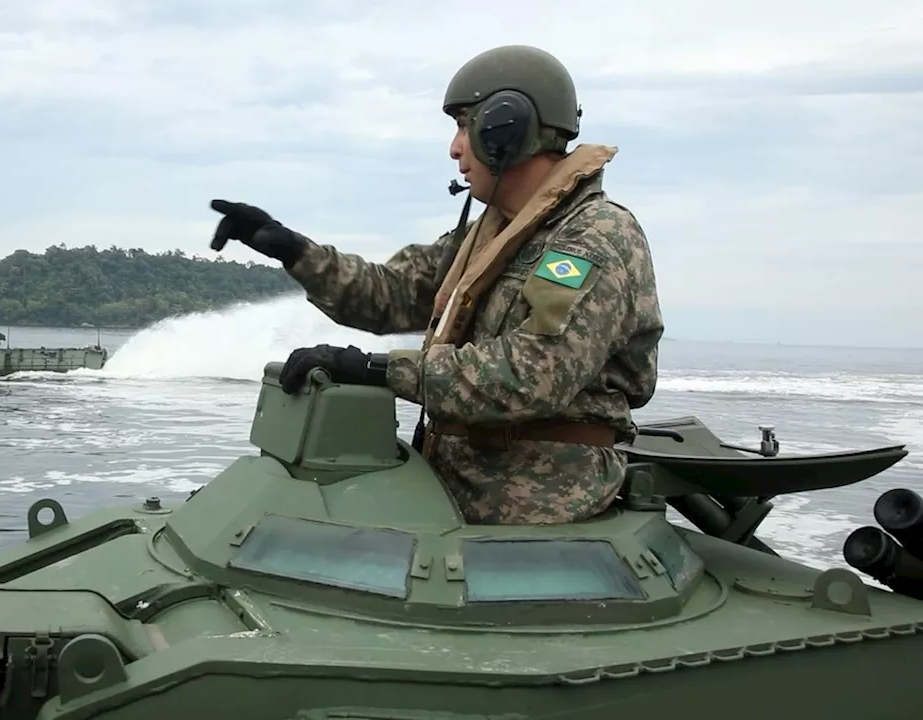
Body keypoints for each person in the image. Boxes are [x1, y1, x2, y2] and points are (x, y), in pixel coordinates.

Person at [207, 45, 664, 525]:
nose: (455, 148)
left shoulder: (593, 236)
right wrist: (293, 250)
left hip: (537, 506)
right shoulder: (490, 238)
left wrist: (378, 370)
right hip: (456, 490)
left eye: (465, 126)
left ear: (506, 128)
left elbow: (533, 374)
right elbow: (391, 293)